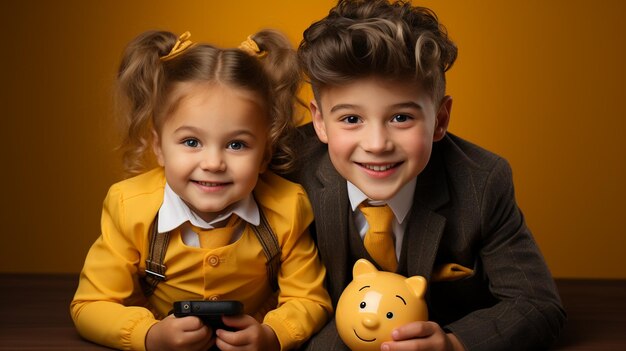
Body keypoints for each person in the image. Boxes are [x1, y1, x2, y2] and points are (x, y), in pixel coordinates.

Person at [287, 1, 567, 350]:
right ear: (319, 122)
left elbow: (538, 305)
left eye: (401, 118)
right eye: (351, 119)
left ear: (440, 119)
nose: (376, 144)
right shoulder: (286, 170)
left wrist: (454, 343)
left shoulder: (481, 182)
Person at [70, 29, 332, 351]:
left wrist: (272, 334)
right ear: (159, 146)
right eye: (191, 142)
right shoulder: (129, 207)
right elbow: (91, 305)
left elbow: (310, 299)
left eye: (236, 144)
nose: (213, 163)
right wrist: (150, 335)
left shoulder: (287, 207)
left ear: (265, 152)